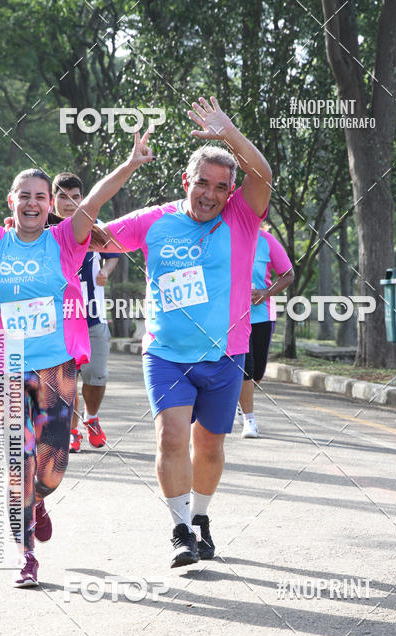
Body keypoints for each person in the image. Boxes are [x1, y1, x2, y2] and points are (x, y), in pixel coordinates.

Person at [0, 129, 153, 586]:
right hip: (5, 360)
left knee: (51, 466)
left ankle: (40, 499)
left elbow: (97, 199)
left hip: (57, 365)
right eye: (23, 196)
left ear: (50, 204)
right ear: (11, 201)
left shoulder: (66, 240)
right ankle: (25, 555)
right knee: (15, 459)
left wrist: (130, 163)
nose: (31, 203)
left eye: (40, 197)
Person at [101, 96, 271, 568]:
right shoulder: (155, 220)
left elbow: (263, 177)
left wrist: (228, 133)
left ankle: (200, 519)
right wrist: (124, 169)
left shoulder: (240, 217)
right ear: (186, 182)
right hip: (167, 354)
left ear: (230, 192)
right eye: (203, 183)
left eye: (221, 186)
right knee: (172, 438)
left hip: (225, 354)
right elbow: (92, 236)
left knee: (209, 445)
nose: (211, 194)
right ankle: (179, 531)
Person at [52, 173, 120, 452]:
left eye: (76, 197)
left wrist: (105, 270)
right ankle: (71, 430)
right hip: (59, 318)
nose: (70, 203)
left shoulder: (96, 225)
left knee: (96, 375)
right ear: (53, 200)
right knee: (68, 378)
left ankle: (92, 418)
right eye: (63, 197)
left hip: (92, 315)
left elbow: (114, 252)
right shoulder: (42, 228)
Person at [236, 228, 294, 437]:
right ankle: (249, 421)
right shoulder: (224, 236)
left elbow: (288, 275)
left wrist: (266, 293)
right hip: (233, 317)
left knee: (258, 371)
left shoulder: (267, 241)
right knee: (246, 367)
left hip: (262, 316)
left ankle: (240, 401)